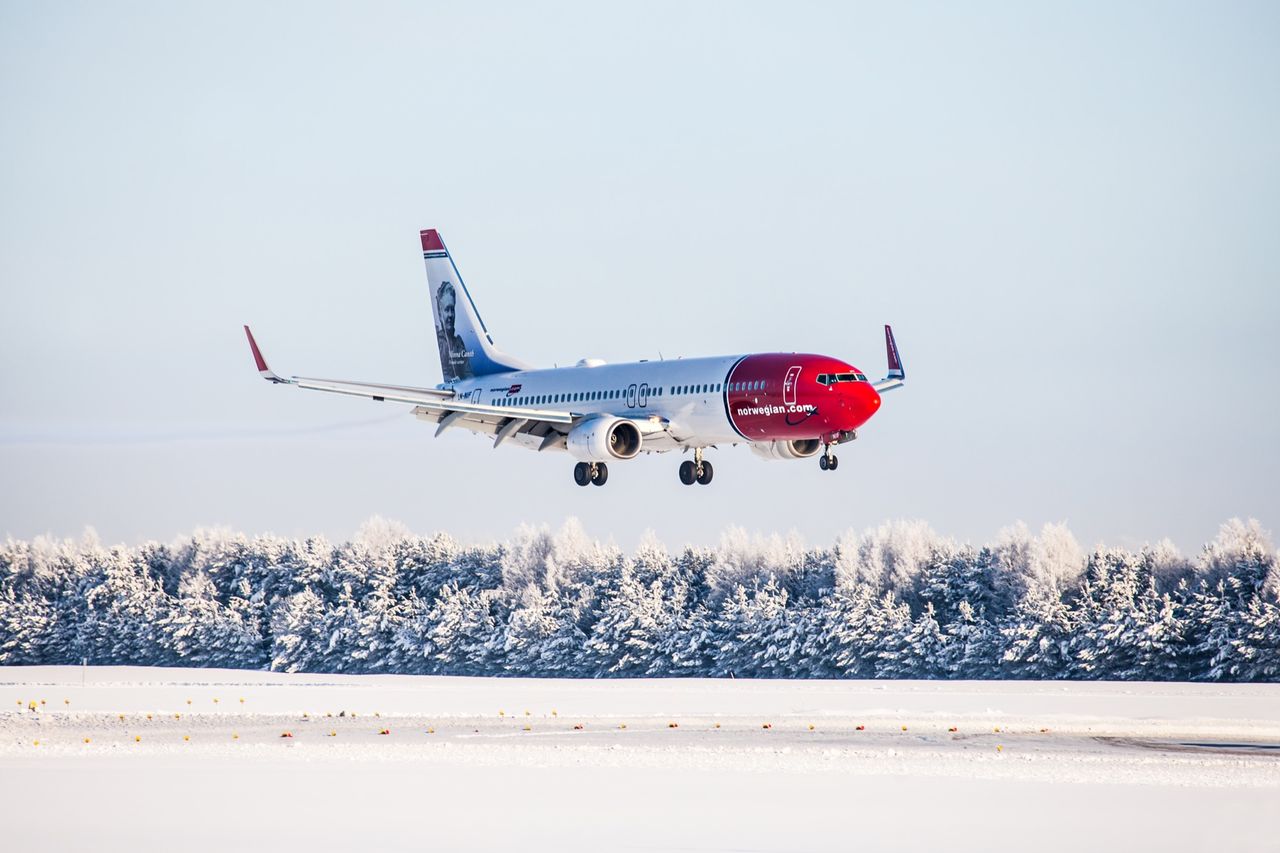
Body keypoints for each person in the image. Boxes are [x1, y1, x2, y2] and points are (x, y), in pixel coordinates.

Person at [435, 281, 473, 380]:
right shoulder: (439, 343)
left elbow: (468, 373)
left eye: (452, 309)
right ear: (439, 314)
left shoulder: (459, 344)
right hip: (452, 390)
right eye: (447, 310)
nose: (450, 315)